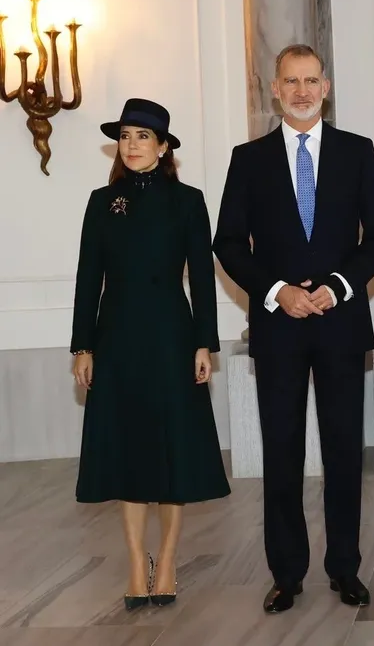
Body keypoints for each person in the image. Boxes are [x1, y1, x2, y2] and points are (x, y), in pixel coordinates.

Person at [213, 44, 374, 613]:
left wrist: (339, 286)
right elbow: (227, 243)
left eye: (310, 80)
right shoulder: (248, 158)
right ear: (274, 88)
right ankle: (286, 573)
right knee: (283, 453)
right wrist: (277, 293)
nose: (300, 91)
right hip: (279, 328)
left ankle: (345, 568)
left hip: (341, 325)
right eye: (289, 81)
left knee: (344, 453)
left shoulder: (357, 152)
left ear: (326, 85)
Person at [70, 98, 231, 611]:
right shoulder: (102, 201)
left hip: (171, 339)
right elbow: (86, 279)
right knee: (127, 451)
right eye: (126, 136)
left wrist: (204, 341)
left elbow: (203, 280)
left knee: (172, 453)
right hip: (115, 340)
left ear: (164, 148)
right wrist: (82, 345)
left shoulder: (188, 201)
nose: (133, 145)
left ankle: (168, 558)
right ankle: (137, 563)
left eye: (144, 136)